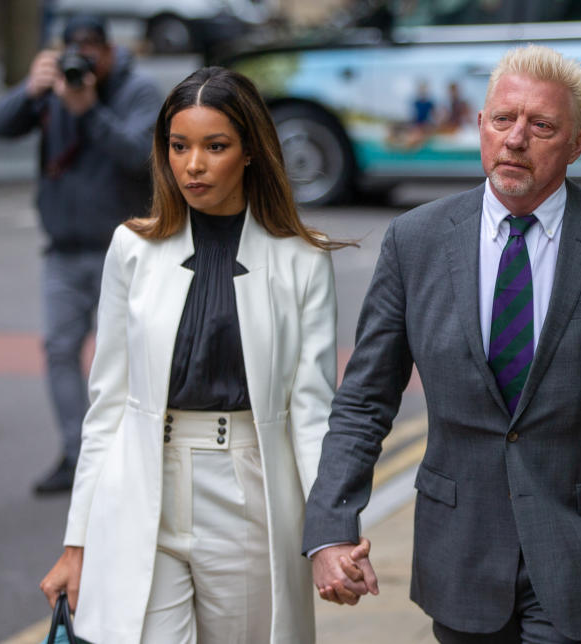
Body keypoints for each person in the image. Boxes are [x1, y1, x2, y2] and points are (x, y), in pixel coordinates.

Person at [304, 45, 581, 643]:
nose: (516, 139)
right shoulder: (416, 241)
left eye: (541, 126)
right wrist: (331, 528)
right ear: (480, 125)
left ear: (577, 143)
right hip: (464, 556)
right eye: (502, 119)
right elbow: (364, 401)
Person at [38, 66, 357, 643]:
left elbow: (312, 415)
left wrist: (330, 530)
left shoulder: (302, 261)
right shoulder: (131, 247)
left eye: (215, 147)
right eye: (178, 146)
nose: (193, 165)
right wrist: (76, 542)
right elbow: (106, 407)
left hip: (246, 487)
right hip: (141, 486)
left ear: (251, 152)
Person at [0, 15, 162, 494]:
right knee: (61, 350)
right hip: (63, 251)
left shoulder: (139, 91)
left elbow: (142, 156)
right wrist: (30, 89)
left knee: (124, 362)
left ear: (109, 51)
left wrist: (88, 110)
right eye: (74, 51)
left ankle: (131, 460)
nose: (83, 62)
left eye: (91, 52)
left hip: (124, 252)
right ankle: (76, 454)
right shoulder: (55, 86)